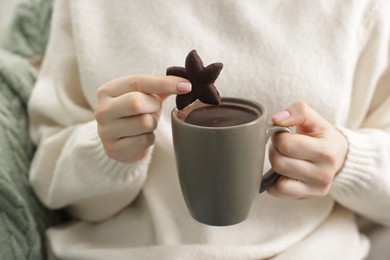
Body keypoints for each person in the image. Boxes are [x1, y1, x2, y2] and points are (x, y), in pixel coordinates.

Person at [28, 0, 390, 259]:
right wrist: (104, 151)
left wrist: (348, 159)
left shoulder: (364, 9)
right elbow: (48, 181)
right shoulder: (87, 8)